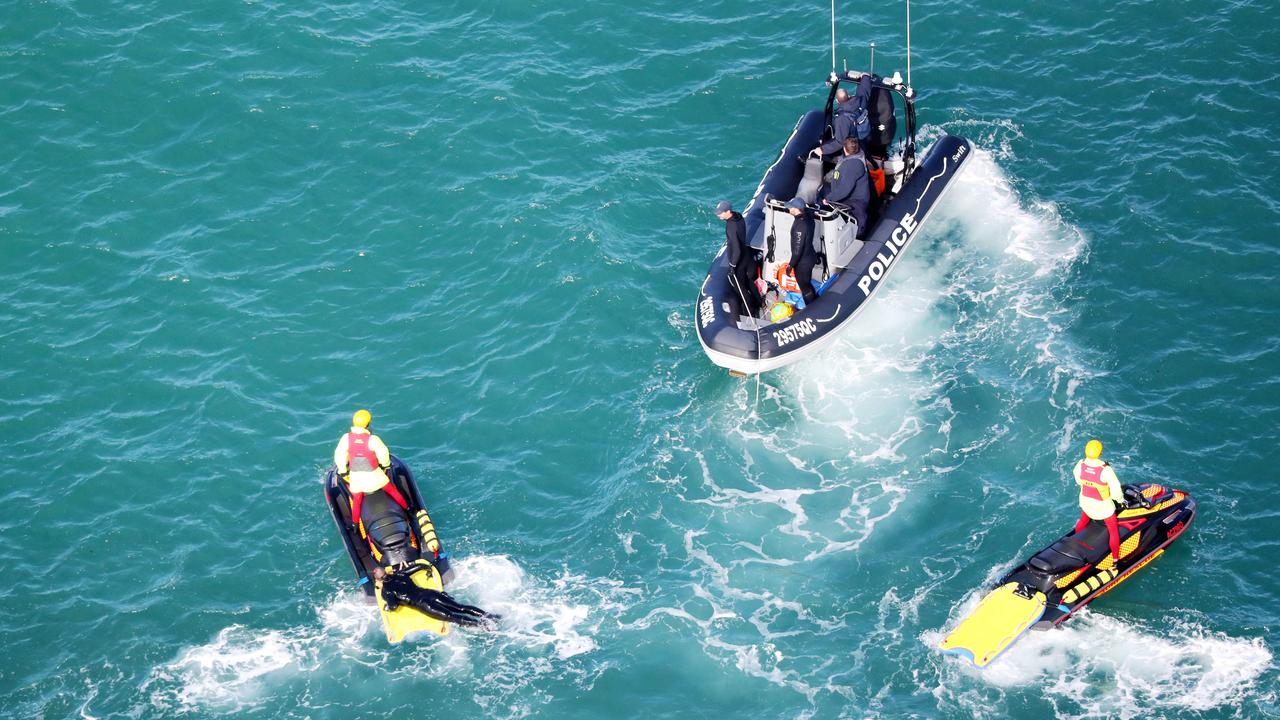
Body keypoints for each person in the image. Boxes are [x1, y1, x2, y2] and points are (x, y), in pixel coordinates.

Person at [334, 409, 411, 536]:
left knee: (357, 500)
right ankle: (408, 509)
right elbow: (384, 454)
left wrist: (343, 471)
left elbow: (340, 455)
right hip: (375, 479)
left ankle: (355, 525)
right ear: (368, 424)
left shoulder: (346, 438)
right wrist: (385, 465)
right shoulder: (373, 439)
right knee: (392, 490)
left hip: (358, 479)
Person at [1072, 439, 1125, 565]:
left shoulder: (1080, 464)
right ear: (1100, 452)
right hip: (1103, 509)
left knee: (1083, 520)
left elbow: (1079, 481)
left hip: (1086, 503)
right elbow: (1116, 490)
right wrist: (1121, 501)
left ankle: (1074, 541)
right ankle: (1116, 559)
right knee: (1113, 530)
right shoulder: (1105, 470)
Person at [716, 200, 762, 313]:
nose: (718, 215)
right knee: (749, 281)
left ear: (728, 211)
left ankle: (750, 309)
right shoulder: (739, 216)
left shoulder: (731, 227)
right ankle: (760, 301)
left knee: (740, 287)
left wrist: (732, 265)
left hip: (739, 261)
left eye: (721, 212)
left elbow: (736, 249)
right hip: (746, 255)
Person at [822, 137, 871, 236]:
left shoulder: (852, 166)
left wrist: (828, 198)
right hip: (849, 197)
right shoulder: (857, 156)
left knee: (858, 221)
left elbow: (844, 190)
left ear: (844, 148)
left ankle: (859, 236)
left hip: (855, 201)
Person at [816, 77, 872, 157]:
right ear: (848, 96)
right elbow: (865, 91)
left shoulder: (842, 119)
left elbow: (840, 142)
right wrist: (865, 77)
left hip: (854, 144)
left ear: (837, 100)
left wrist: (822, 149)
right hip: (865, 135)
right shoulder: (860, 101)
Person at [785, 198, 817, 304]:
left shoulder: (800, 225)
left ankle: (812, 307)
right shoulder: (808, 216)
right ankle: (814, 302)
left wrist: (790, 265)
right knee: (807, 283)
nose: (788, 209)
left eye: (790, 207)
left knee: (805, 286)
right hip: (810, 256)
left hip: (803, 263)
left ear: (796, 209)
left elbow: (797, 250)